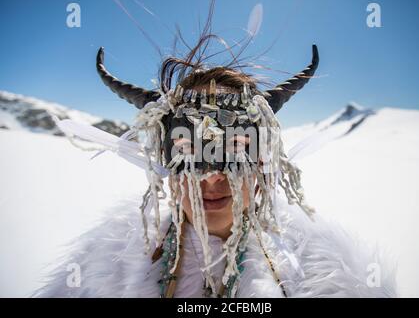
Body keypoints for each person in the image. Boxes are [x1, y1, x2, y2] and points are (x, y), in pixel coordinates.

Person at [34, 19, 396, 298]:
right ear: (164, 164)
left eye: (236, 148)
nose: (210, 177)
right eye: (188, 151)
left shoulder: (329, 274)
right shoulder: (105, 265)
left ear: (263, 161)